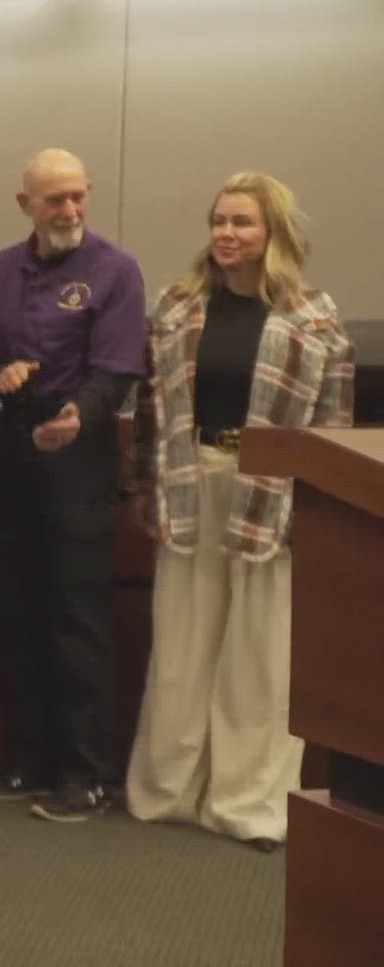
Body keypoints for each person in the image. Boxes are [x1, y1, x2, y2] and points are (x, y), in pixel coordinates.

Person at [127, 172, 353, 851]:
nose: (226, 234)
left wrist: (318, 509)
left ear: (272, 233)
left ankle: (245, 804)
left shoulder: (313, 318)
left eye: (242, 223)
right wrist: (143, 483)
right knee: (182, 649)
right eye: (219, 221)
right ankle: (170, 792)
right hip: (195, 481)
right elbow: (150, 409)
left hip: (273, 493)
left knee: (257, 659)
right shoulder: (177, 308)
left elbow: (333, 425)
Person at [0, 148, 146, 823]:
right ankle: (31, 761)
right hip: (10, 454)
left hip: (81, 456)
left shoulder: (115, 270)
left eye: (77, 197)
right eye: (53, 201)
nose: (68, 211)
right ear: (26, 207)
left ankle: (87, 773)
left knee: (77, 618)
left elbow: (118, 369)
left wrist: (80, 415)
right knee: (16, 610)